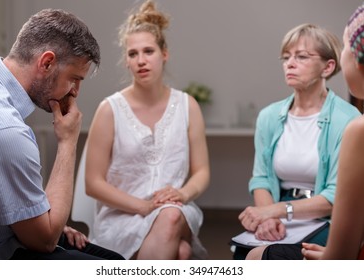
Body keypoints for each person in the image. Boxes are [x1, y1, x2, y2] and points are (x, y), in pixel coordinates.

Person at [0, 8, 123, 260]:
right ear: (46, 63)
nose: (75, 91)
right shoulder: (7, 133)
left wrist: (39, 215)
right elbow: (45, 240)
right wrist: (68, 141)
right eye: (74, 79)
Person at [85, 0, 210, 260]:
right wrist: (142, 206)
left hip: (177, 208)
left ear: (164, 54)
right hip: (122, 216)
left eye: (148, 51)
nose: (141, 60)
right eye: (133, 54)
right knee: (182, 252)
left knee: (171, 215)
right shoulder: (109, 110)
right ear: (126, 61)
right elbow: (93, 183)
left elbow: (202, 172)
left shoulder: (188, 106)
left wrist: (182, 193)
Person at [234, 23, 361, 260]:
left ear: (328, 66)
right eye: (286, 57)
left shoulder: (348, 119)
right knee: (243, 256)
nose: (290, 64)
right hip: (280, 213)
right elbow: (261, 178)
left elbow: (337, 195)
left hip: (328, 218)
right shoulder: (269, 116)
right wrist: (268, 217)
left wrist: (275, 210)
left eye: (301, 57)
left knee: (267, 257)